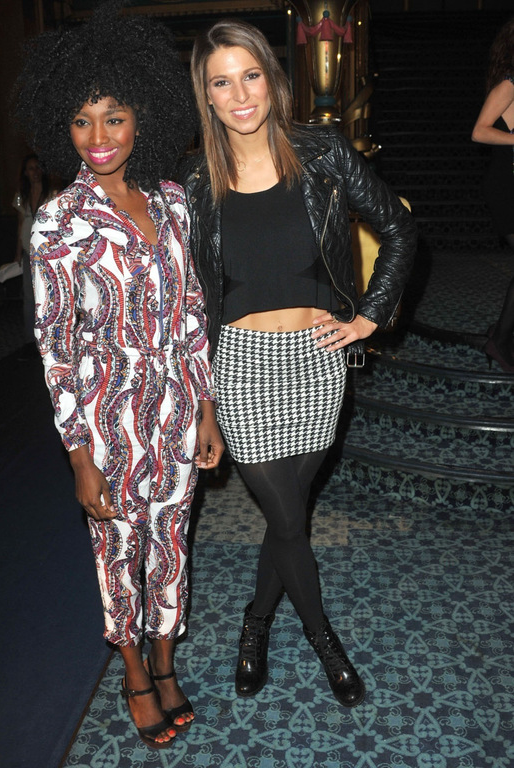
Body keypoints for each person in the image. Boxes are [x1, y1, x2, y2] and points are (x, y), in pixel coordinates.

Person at [181, 18, 417, 708]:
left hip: (317, 360)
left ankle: (255, 622)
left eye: (250, 75)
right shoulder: (194, 179)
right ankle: (323, 640)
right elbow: (186, 300)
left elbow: (399, 228)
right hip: (240, 365)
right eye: (221, 82)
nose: (240, 95)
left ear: (271, 78)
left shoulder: (321, 151)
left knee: (288, 519)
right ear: (206, 95)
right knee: (287, 520)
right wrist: (200, 400)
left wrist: (369, 316)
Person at [14, 2, 224, 750]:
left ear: (144, 118)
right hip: (106, 417)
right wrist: (78, 454)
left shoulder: (173, 204)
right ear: (61, 129)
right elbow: (55, 345)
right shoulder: (58, 224)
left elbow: (191, 308)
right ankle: (134, 673)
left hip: (177, 409)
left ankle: (166, 661)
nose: (98, 136)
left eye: (113, 117)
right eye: (81, 121)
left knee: (172, 541)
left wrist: (205, 406)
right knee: (118, 552)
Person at [472, 16, 514, 373]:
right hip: (505, 185)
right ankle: (499, 341)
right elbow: (479, 131)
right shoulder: (508, 84)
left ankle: (501, 335)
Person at [12, 153, 52, 356]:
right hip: (29, 252)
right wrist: (18, 254)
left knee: (49, 296)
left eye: (37, 167)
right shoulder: (22, 195)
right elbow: (21, 224)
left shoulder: (52, 193)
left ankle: (50, 338)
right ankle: (30, 340)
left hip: (48, 253)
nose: (35, 172)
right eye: (30, 168)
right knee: (29, 297)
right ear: (25, 173)